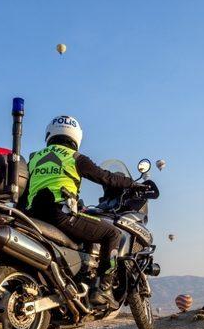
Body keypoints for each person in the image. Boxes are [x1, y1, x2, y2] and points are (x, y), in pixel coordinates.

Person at [26, 115, 147, 308]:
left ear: (49, 134)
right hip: (60, 215)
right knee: (111, 233)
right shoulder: (74, 157)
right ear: (76, 136)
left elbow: (25, 191)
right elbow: (105, 177)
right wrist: (132, 183)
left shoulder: (34, 158)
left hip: (32, 216)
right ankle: (103, 289)